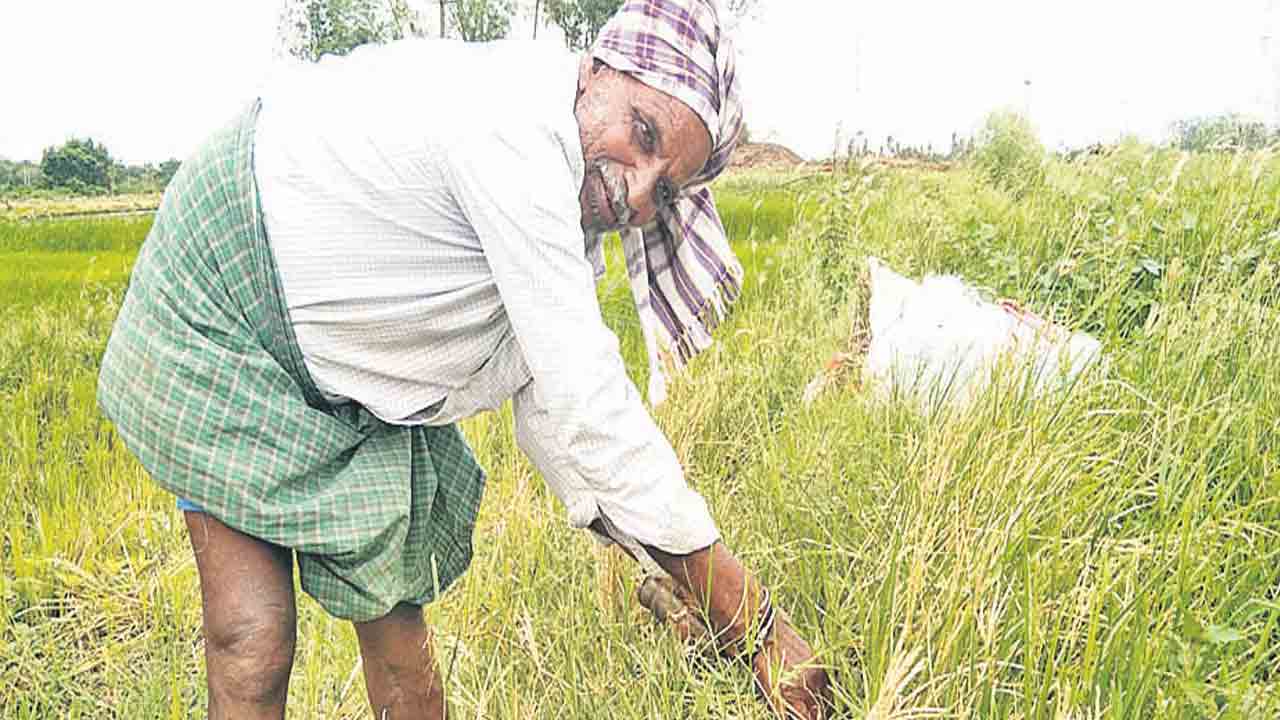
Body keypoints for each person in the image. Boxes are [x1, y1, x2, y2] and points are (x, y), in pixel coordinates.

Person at [97, 0, 830, 717]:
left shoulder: (567, 220)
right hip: (232, 295)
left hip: (361, 371)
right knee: (252, 640)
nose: (636, 190)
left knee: (402, 648)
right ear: (597, 71)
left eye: (664, 190)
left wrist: (675, 579)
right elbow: (593, 411)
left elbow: (559, 429)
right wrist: (760, 629)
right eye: (642, 132)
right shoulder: (515, 127)